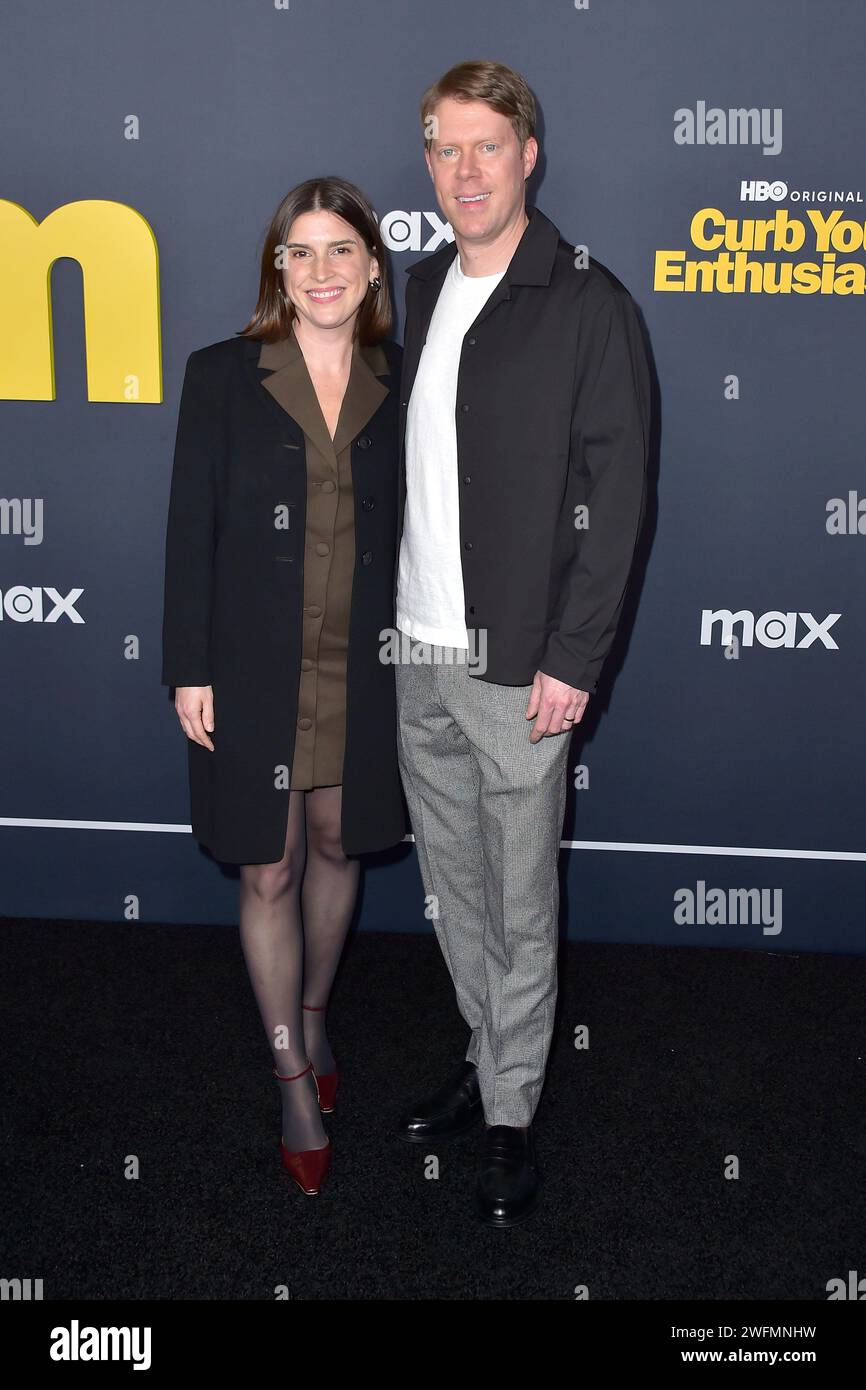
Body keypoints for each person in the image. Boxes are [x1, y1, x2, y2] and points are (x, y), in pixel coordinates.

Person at [394, 61, 652, 1226]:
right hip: (417, 654)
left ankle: (509, 1107)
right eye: (444, 148)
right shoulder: (416, 283)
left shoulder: (588, 301)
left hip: (519, 664)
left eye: (485, 146)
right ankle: (484, 1048)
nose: (464, 171)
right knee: (454, 890)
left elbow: (618, 495)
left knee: (519, 897)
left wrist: (573, 655)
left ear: (528, 154)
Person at [161, 177, 406, 1197]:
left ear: (371, 268)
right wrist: (189, 665)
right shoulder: (222, 373)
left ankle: (312, 1007)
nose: (318, 272)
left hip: (364, 663)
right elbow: (191, 529)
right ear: (276, 268)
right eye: (298, 253)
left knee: (335, 844)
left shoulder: (405, 376)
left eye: (338, 250)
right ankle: (290, 1071)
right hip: (256, 662)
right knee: (265, 867)